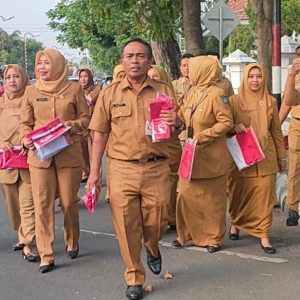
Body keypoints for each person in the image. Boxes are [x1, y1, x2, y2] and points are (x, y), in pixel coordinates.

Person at [87, 38, 182, 300]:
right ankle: (134, 277)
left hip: (157, 167)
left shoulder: (164, 90)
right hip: (121, 168)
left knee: (158, 220)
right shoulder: (109, 94)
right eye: (129, 56)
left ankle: (152, 247)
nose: (135, 60)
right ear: (122, 61)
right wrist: (95, 174)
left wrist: (177, 122)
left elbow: (176, 128)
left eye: (141, 56)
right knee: (126, 226)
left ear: (150, 61)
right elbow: (99, 135)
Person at [20, 49, 90, 273]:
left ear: (58, 65)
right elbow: (25, 123)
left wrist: (72, 125)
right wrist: (25, 139)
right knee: (42, 204)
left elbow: (87, 118)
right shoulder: (31, 91)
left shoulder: (74, 88)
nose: (42, 67)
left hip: (68, 154)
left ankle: (72, 239)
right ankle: (46, 254)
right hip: (40, 158)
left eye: (47, 63)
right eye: (39, 63)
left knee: (69, 202)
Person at [172, 55, 233, 253]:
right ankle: (184, 234)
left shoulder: (217, 94)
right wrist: (172, 119)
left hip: (211, 156)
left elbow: (226, 122)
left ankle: (213, 237)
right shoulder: (192, 92)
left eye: (194, 67)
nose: (189, 71)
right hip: (191, 156)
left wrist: (204, 135)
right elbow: (183, 116)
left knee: (212, 200)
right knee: (184, 196)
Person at [227, 63, 286, 254]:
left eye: (259, 76)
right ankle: (236, 223)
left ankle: (263, 235)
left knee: (264, 198)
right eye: (251, 76)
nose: (255, 80)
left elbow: (276, 132)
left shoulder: (270, 101)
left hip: (265, 158)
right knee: (239, 194)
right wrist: (234, 127)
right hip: (242, 158)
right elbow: (225, 127)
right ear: (245, 78)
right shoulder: (234, 101)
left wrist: (281, 156)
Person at [0, 64, 36, 260]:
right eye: (8, 77)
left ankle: (27, 243)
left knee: (28, 204)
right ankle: (21, 233)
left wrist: (28, 140)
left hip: (29, 161)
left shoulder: (31, 101)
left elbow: (39, 124)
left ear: (24, 79)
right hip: (6, 164)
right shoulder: (0, 103)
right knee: (13, 207)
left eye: (16, 77)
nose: (12, 81)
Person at [147, 65, 182, 231]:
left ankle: (172, 217)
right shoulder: (144, 97)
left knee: (171, 183)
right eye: (150, 77)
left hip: (171, 146)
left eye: (156, 77)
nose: (154, 80)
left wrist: (175, 121)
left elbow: (180, 121)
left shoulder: (170, 95)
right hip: (153, 148)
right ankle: (159, 218)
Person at [283, 52, 300, 225]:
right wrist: (291, 75)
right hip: (298, 124)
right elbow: (288, 101)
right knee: (294, 166)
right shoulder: (295, 75)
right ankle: (293, 208)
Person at [78, 68, 102, 181]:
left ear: (90, 77)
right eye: (81, 77)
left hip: (95, 125)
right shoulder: (77, 91)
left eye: (85, 76)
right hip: (82, 126)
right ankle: (87, 172)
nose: (83, 79)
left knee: (94, 152)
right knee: (83, 153)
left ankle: (96, 175)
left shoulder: (97, 89)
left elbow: (94, 102)